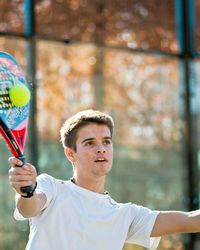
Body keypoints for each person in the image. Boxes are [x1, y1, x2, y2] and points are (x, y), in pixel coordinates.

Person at [8, 109, 200, 250]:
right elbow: (29, 207)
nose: (101, 148)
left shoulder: (126, 216)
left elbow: (190, 220)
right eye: (90, 143)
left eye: (106, 142)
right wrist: (27, 191)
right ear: (70, 154)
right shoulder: (51, 187)